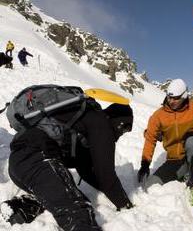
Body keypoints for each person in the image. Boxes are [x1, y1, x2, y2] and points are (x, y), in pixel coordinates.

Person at [5, 97, 134, 230]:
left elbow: (86, 170)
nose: (122, 133)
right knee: (78, 212)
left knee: (72, 197)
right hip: (38, 161)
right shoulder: (101, 124)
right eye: (125, 128)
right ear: (119, 122)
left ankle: (24, 207)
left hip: (20, 164)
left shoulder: (83, 123)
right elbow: (106, 175)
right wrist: (126, 206)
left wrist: (106, 190)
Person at [137, 79, 193, 189]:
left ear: (184, 96)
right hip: (174, 160)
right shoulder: (158, 116)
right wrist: (145, 164)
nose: (171, 101)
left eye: (176, 98)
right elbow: (150, 138)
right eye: (169, 97)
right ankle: (184, 174)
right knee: (151, 185)